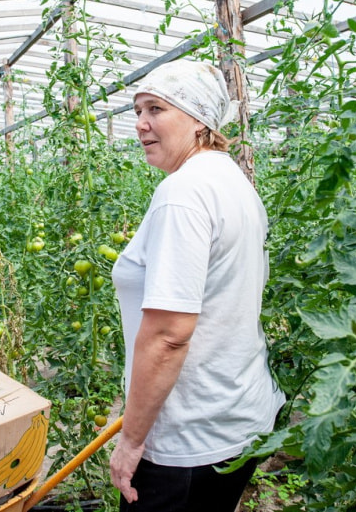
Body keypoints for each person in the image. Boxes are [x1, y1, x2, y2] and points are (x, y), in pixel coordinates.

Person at [109, 58, 285, 512]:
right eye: (137, 111)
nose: (141, 123)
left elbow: (169, 335)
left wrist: (132, 440)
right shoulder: (232, 181)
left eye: (156, 109)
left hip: (187, 435)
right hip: (236, 416)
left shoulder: (182, 193)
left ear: (199, 118)